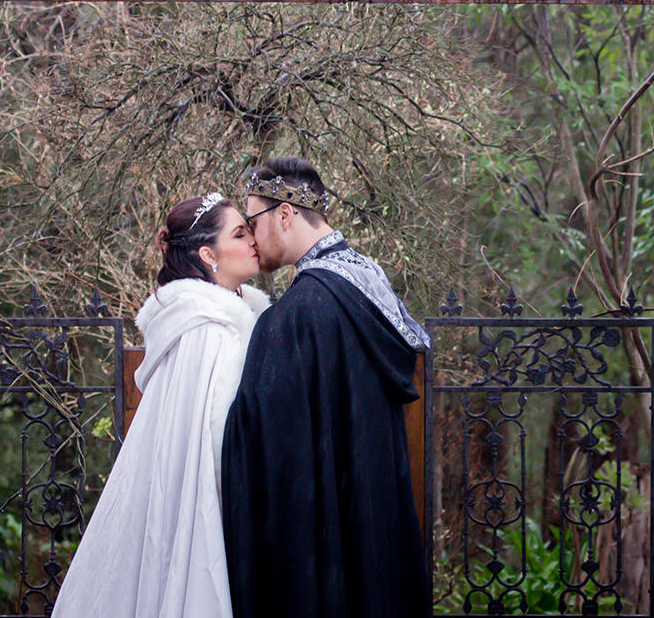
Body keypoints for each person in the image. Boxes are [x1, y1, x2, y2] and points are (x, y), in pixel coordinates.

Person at [220, 157, 433, 618]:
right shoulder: (368, 284)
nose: (252, 238)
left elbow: (268, 452)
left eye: (252, 222)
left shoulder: (296, 315)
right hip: (378, 527)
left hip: (327, 551)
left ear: (283, 215)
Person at [52, 192, 269, 618]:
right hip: (211, 506)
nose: (253, 241)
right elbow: (214, 439)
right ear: (209, 254)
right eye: (240, 233)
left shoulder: (208, 320)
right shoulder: (207, 330)